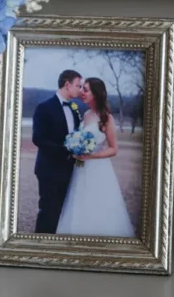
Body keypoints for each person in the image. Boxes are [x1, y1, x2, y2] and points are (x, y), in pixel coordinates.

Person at [57, 77, 135, 237]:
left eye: (86, 90)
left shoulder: (106, 117)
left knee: (98, 204)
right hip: (81, 169)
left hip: (99, 169)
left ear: (96, 93)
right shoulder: (85, 114)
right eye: (82, 88)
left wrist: (92, 155)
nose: (82, 92)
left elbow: (114, 149)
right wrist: (75, 148)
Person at [32, 69, 82, 233]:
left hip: (70, 170)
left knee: (64, 212)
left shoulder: (74, 108)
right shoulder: (44, 107)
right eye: (78, 85)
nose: (80, 90)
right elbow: (38, 138)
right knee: (48, 211)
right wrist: (65, 151)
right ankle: (40, 246)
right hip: (49, 169)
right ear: (67, 85)